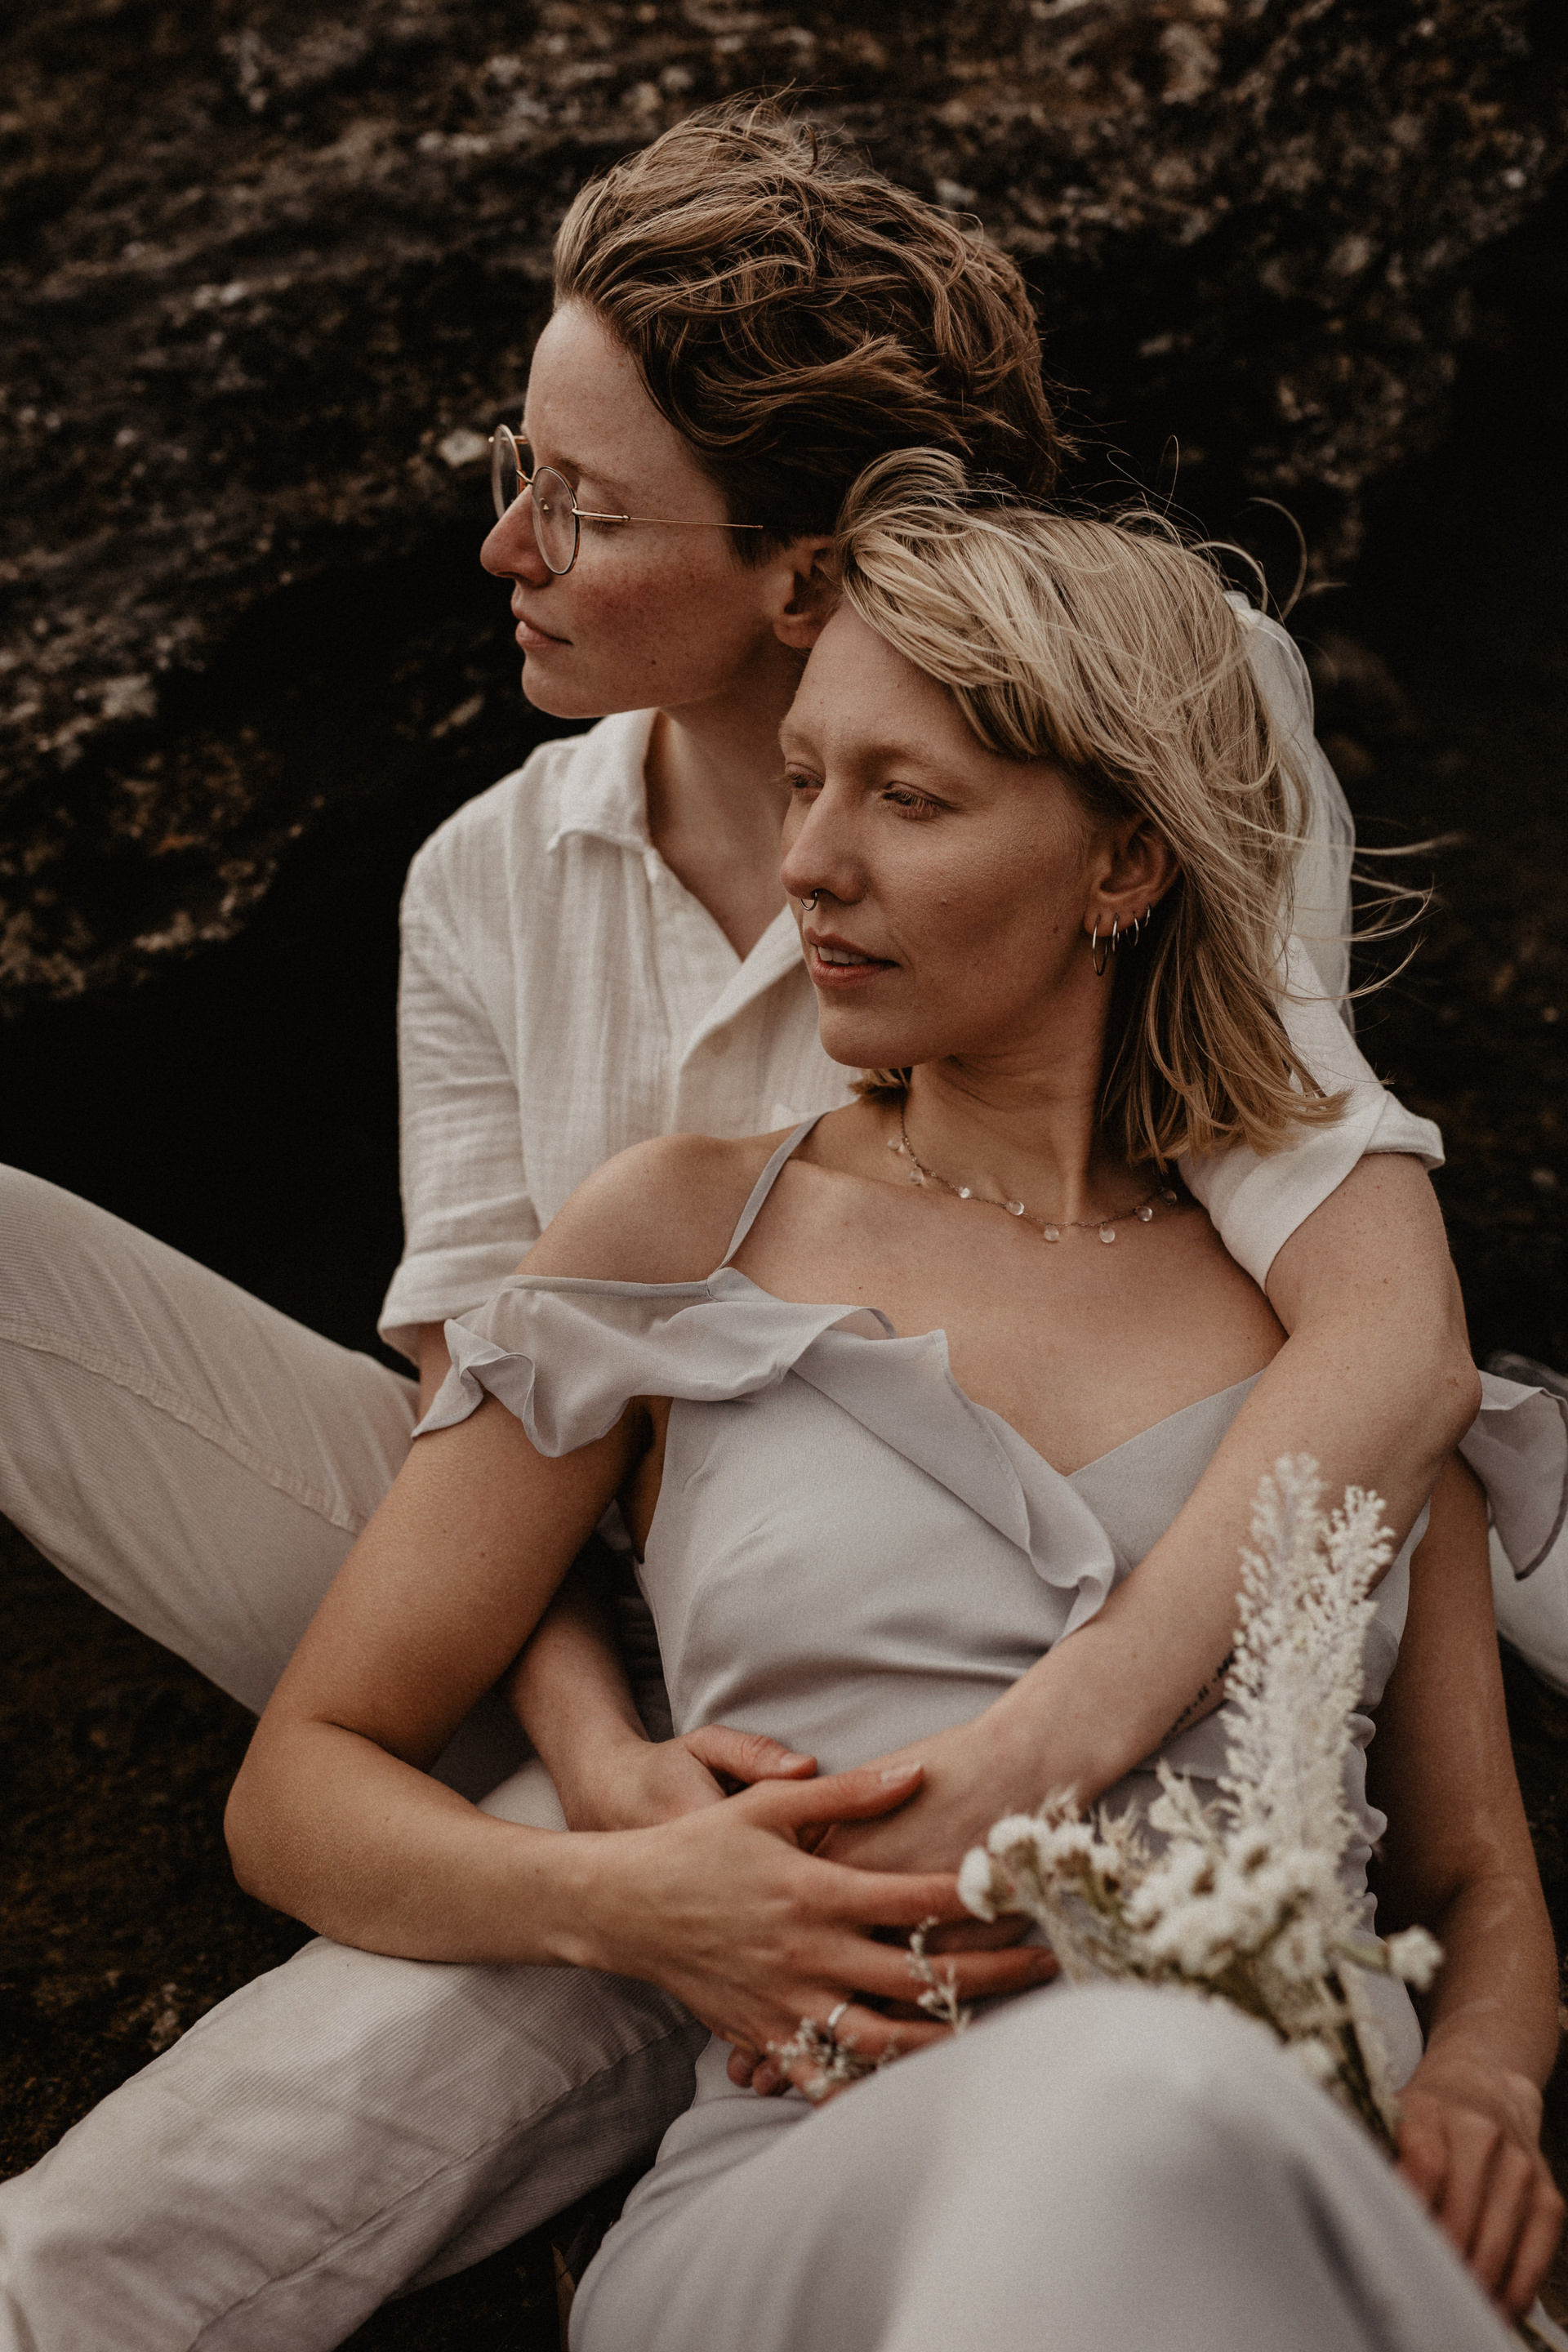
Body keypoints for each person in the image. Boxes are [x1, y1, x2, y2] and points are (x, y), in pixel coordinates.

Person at [0, 100, 1556, 2350]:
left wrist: (1057, 1784)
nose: (507, 544)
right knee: (102, 2240)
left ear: (808, 572)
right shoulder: (503, 910)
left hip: (1000, 1795)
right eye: (520, 467)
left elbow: (1358, 1301)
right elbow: (467, 1399)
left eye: (586, 501)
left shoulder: (1159, 720)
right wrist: (619, 1822)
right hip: (605, 1613)